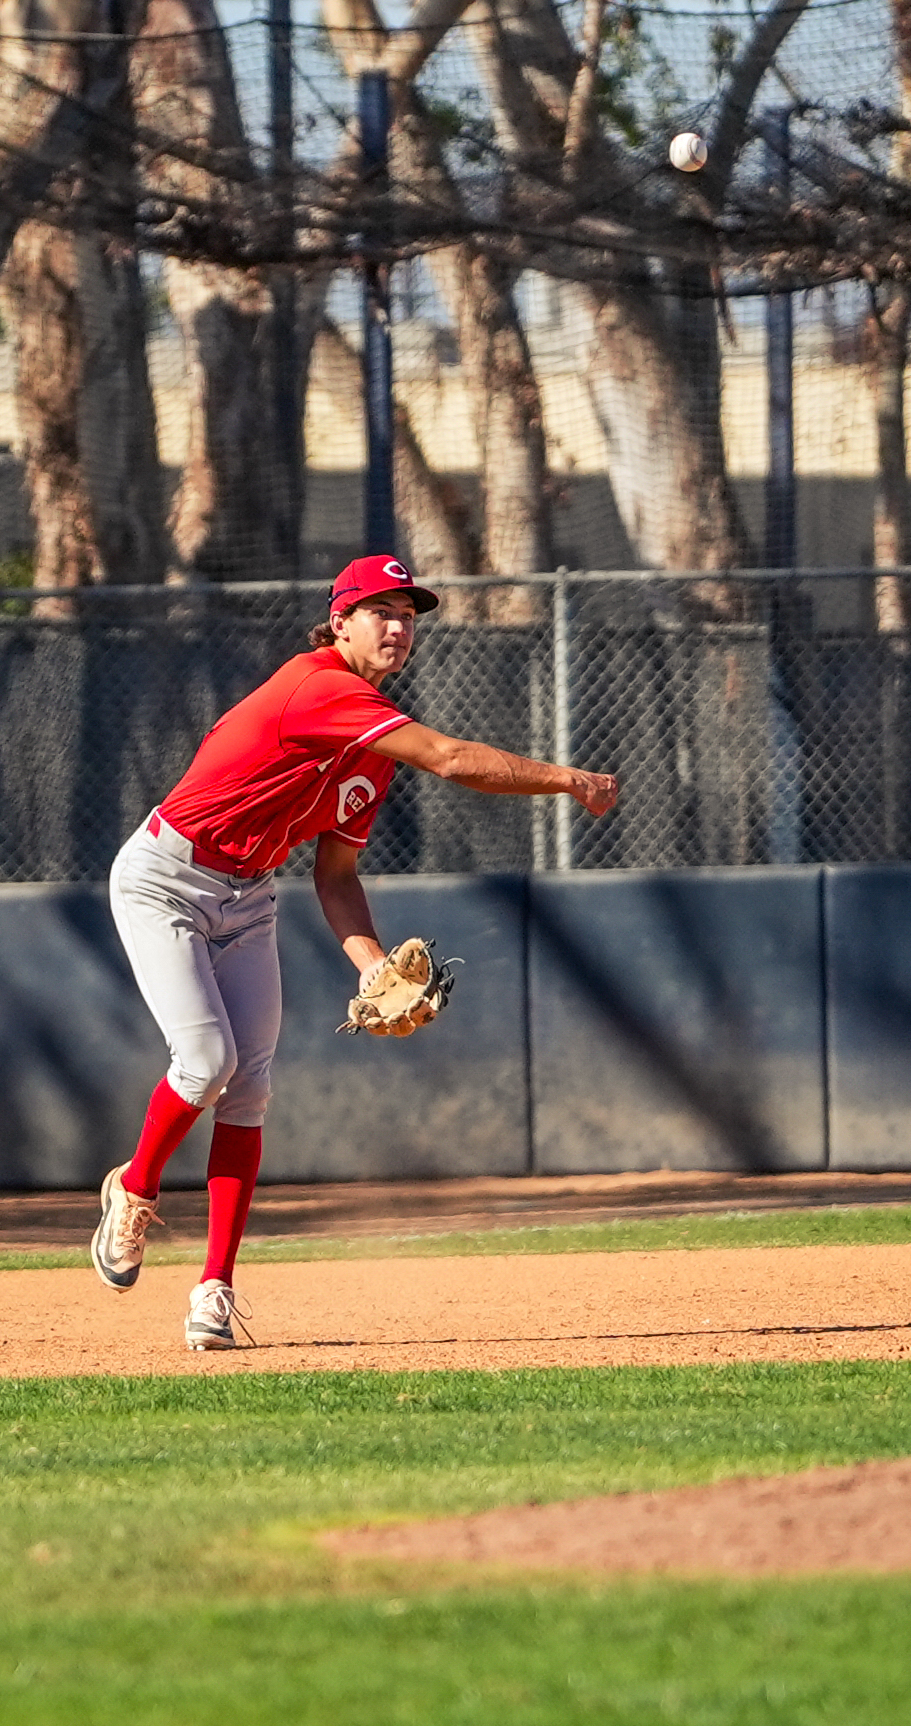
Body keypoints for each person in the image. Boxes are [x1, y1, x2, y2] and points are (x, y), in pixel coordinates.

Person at [90, 556, 620, 1348]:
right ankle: (133, 1192)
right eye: (381, 611)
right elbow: (448, 758)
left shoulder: (372, 751)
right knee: (205, 1060)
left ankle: (214, 1291)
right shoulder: (320, 686)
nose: (399, 627)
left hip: (250, 893)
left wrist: (370, 965)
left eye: (408, 614)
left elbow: (335, 877)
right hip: (165, 878)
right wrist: (564, 779)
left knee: (250, 1088)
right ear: (340, 622)